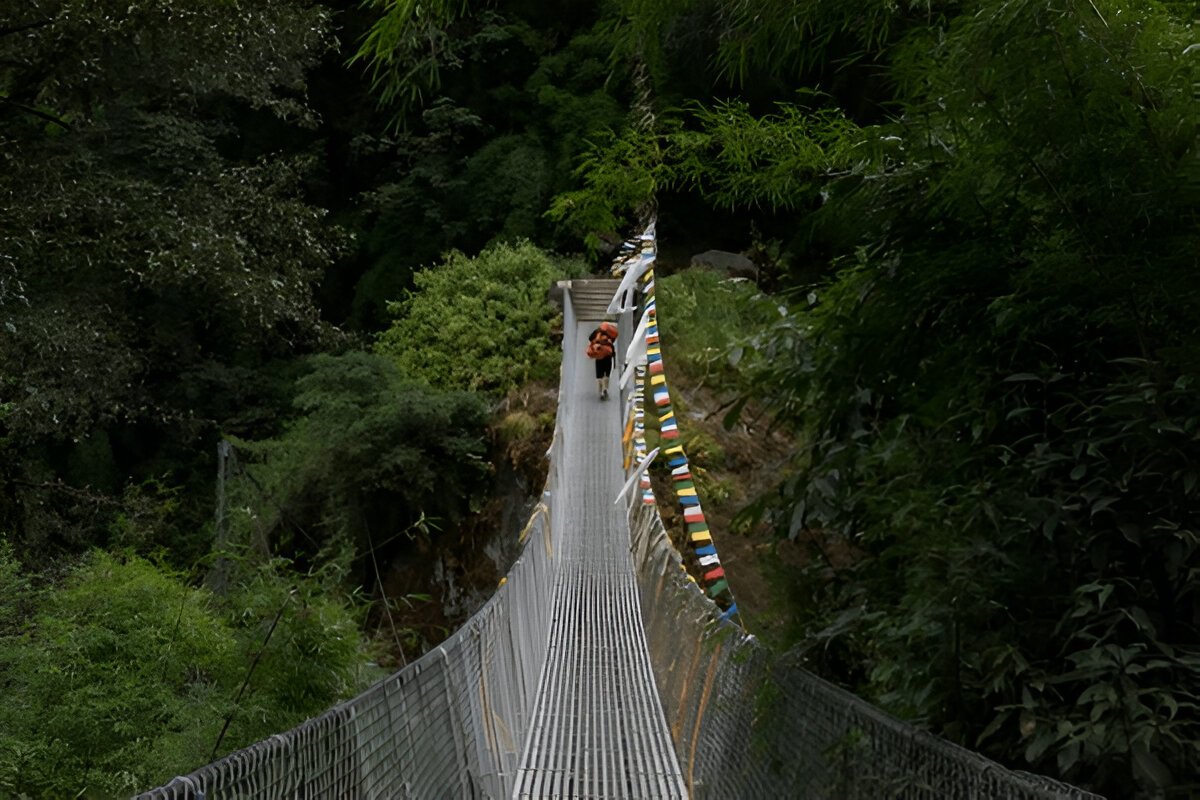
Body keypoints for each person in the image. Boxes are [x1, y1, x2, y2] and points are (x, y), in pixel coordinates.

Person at [586, 320, 618, 400]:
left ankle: (600, 392)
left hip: (599, 356)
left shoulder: (596, 332)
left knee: (599, 375)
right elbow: (613, 340)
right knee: (607, 374)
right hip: (608, 356)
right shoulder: (609, 334)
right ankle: (605, 389)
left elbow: (590, 339)